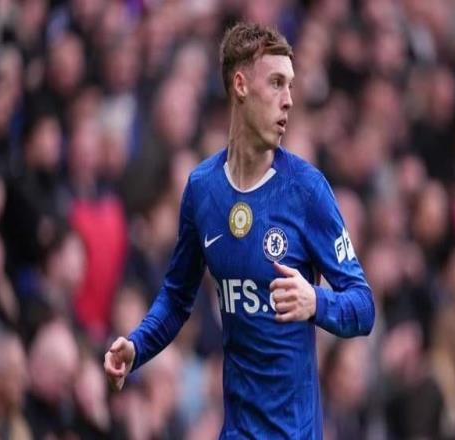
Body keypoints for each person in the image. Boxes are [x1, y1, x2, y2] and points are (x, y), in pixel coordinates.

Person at [104, 22, 375, 439]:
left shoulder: (307, 191)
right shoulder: (202, 189)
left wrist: (315, 301)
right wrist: (137, 346)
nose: (289, 100)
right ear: (241, 85)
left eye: (291, 86)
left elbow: (363, 307)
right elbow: (177, 297)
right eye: (277, 83)